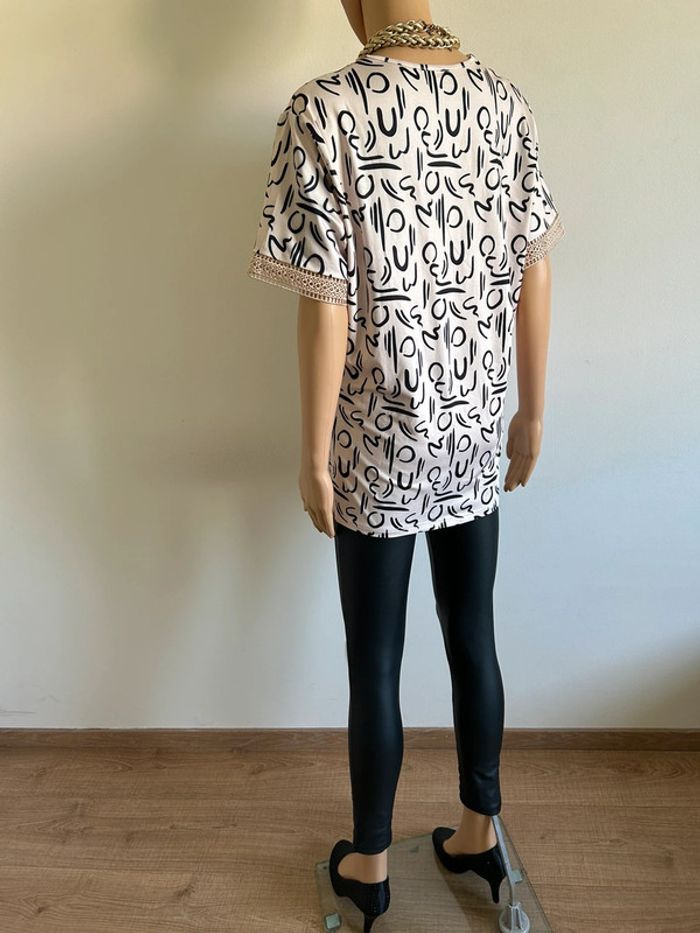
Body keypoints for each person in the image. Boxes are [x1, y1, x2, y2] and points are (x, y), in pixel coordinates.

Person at [247, 2, 564, 928]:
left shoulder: (323, 109)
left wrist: (313, 452)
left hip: (374, 438)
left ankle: (372, 864)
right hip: (472, 426)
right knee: (474, 632)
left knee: (375, 658)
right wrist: (531, 412)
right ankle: (480, 833)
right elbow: (536, 265)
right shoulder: (503, 103)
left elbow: (324, 297)